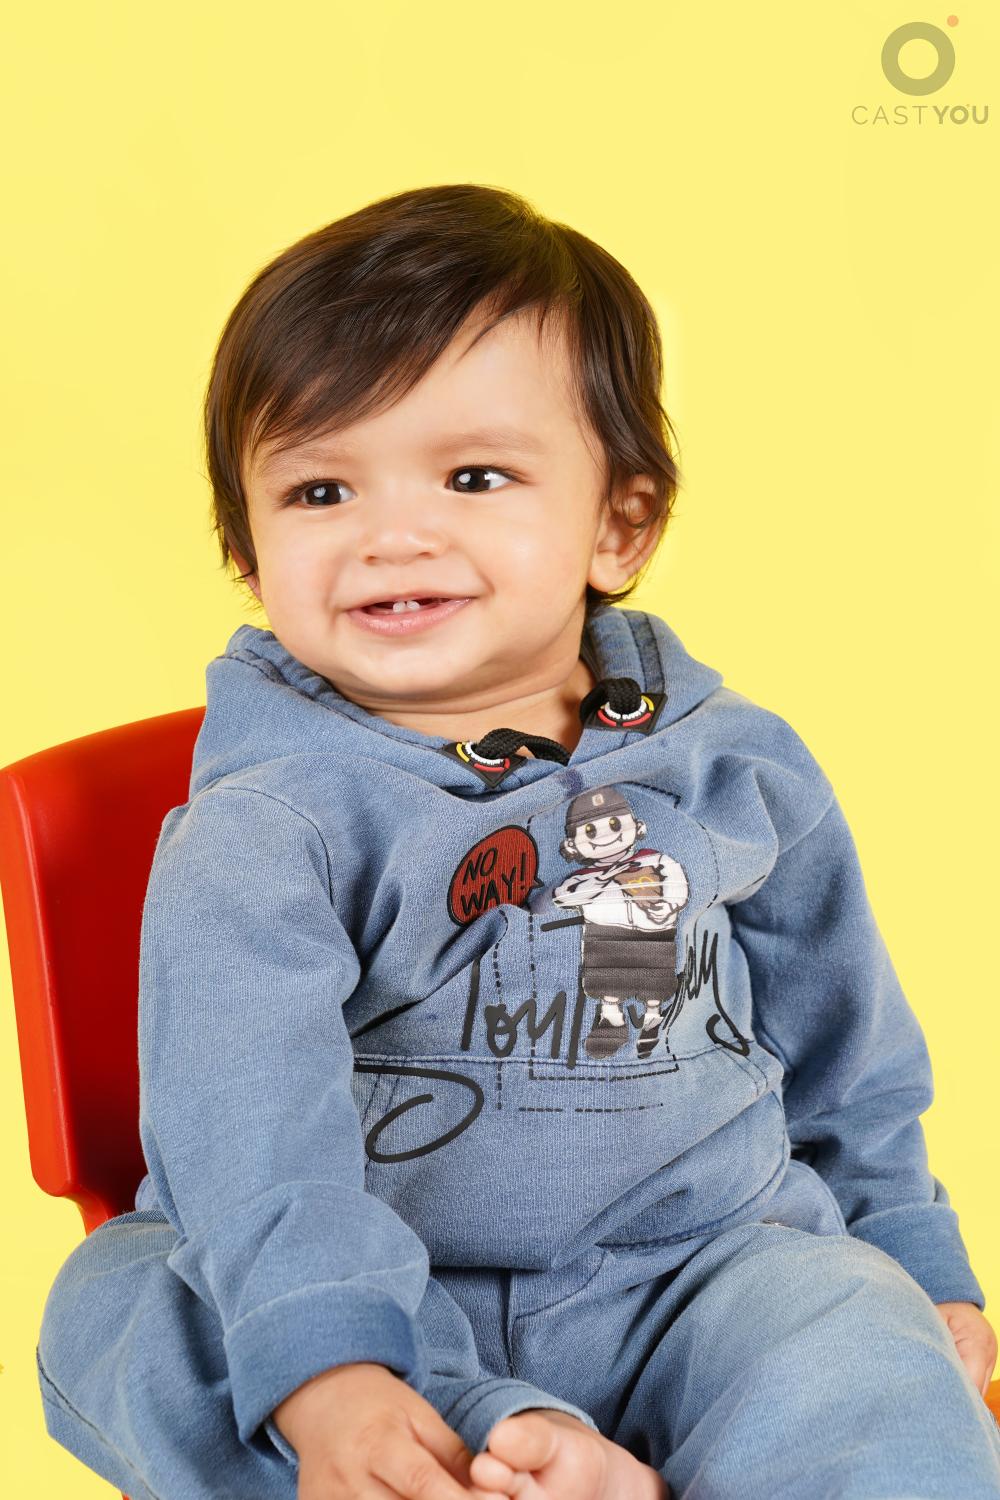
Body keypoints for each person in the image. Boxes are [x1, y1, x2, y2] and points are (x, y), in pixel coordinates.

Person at [35, 183, 1000, 1500]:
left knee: (859, 1340)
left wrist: (915, 1261)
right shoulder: (265, 827)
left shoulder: (733, 763)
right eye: (320, 489)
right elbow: (248, 1136)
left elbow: (848, 1052)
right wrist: (330, 1375)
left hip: (701, 1276)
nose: (392, 536)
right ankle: (471, 1453)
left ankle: (611, 1464)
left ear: (619, 525)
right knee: (118, 1312)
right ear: (249, 558)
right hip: (382, 1303)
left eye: (474, 477)